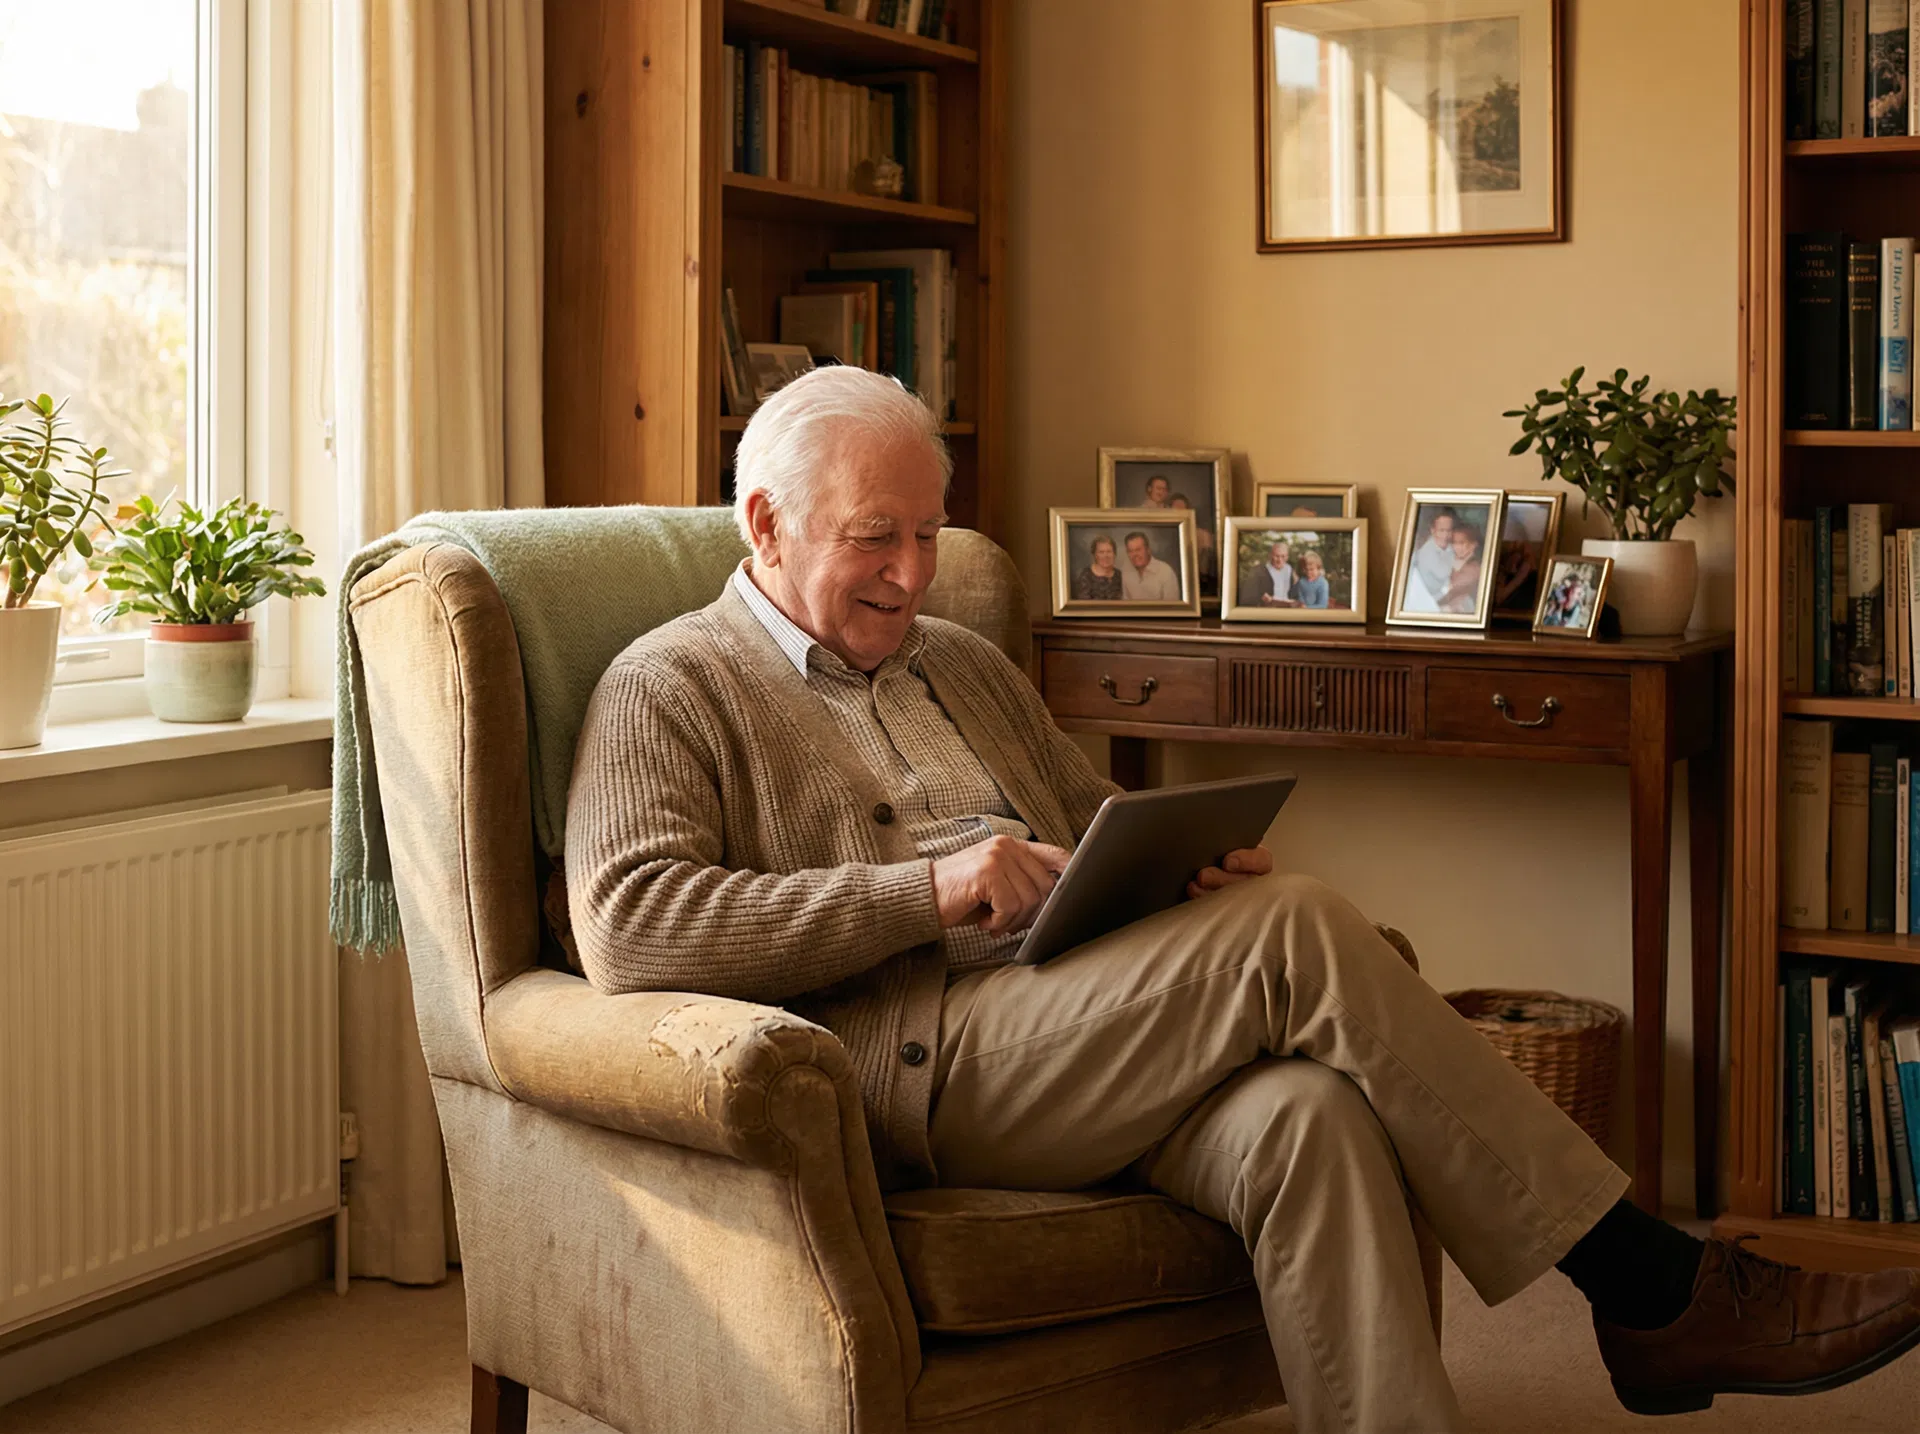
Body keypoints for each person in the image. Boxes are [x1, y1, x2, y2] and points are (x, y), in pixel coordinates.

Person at [567, 367, 1920, 1434]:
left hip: (1070, 1015)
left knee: (1310, 1114)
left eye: (927, 534)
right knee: (1302, 932)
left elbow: (1085, 806)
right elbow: (631, 926)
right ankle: (1647, 1280)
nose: (913, 575)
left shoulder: (956, 661)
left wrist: (1166, 858)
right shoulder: (670, 685)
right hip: (918, 1060)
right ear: (765, 523)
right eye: (877, 540)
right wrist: (922, 889)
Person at [1169, 493, 1217, 589]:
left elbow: (1206, 568)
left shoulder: (1203, 535)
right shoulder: (1165, 536)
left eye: (1183, 510)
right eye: (1176, 510)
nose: (1180, 514)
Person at [1438, 520, 1485, 615]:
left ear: (1473, 544)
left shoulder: (1474, 568)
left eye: (1462, 543)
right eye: (1454, 543)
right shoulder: (1452, 561)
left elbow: (1449, 589)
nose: (1457, 547)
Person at [1411, 507, 1457, 602]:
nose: (1445, 535)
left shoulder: (1450, 547)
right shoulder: (1427, 552)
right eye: (1441, 530)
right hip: (1431, 600)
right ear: (1433, 530)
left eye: (1449, 531)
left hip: (1447, 595)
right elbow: (1448, 574)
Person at [1120, 529, 1180, 601]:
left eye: (1138, 550)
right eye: (1130, 551)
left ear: (1148, 550)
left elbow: (1172, 609)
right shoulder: (1126, 572)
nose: (1134, 554)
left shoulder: (1166, 572)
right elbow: (1126, 605)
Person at [1237, 538, 1293, 608]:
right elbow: (1249, 596)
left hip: (1285, 607)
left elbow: (1290, 591)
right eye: (1277, 556)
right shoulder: (1259, 571)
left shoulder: (1288, 569)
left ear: (1287, 557)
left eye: (1283, 556)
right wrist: (1261, 597)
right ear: (1270, 555)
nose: (1280, 560)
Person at [1071, 534, 1124, 600]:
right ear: (1095, 555)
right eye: (1101, 552)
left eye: (1109, 551)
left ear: (1114, 554)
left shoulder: (1120, 575)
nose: (1106, 556)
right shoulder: (1085, 576)